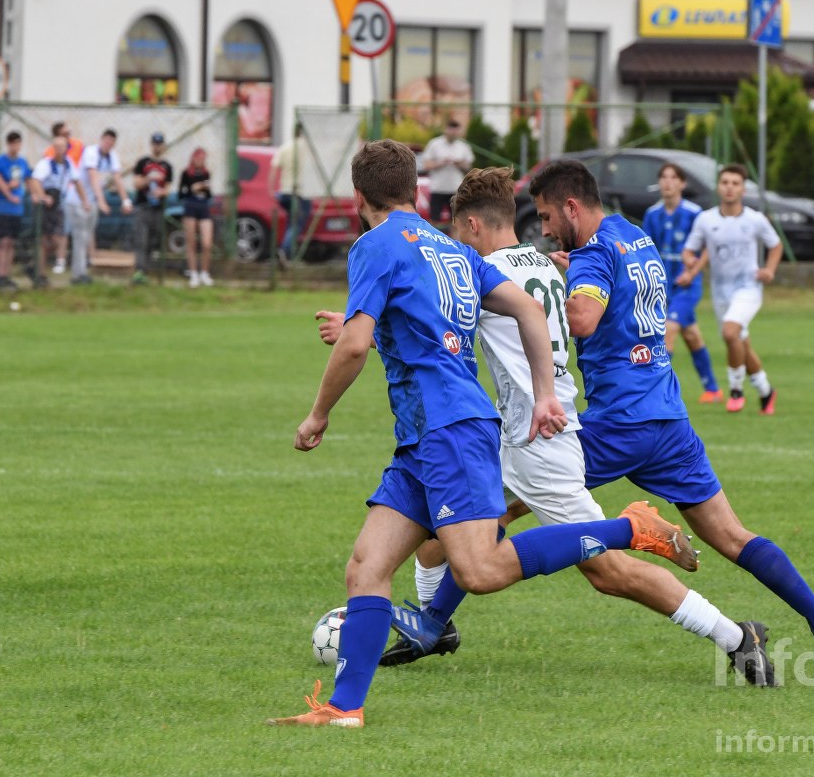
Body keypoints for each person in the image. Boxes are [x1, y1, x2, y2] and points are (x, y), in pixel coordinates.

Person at [268, 140, 696, 728]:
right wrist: (545, 392)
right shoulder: (447, 246)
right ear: (416, 190)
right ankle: (344, 709)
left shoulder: (375, 245)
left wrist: (318, 415)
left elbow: (355, 345)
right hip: (425, 436)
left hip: (450, 430)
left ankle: (630, 528)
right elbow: (526, 310)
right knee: (366, 566)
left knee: (480, 570)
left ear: (358, 196)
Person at [318, 167, 776, 686]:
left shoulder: (484, 269)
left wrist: (360, 330)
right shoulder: (546, 264)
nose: (455, 243)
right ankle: (433, 623)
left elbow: (434, 330)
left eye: (458, 232)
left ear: (473, 225)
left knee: (607, 572)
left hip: (538, 438)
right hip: (515, 430)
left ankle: (733, 634)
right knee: (440, 530)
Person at [533, 159, 814, 676]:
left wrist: (550, 285)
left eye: (547, 216)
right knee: (733, 536)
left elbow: (583, 319)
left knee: (507, 497)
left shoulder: (593, 252)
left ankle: (436, 619)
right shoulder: (636, 237)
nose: (546, 228)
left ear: (571, 207)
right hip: (669, 419)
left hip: (620, 422)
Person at [678, 164, 781, 415]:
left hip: (748, 287)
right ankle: (766, 391)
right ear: (718, 187)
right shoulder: (706, 219)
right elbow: (690, 250)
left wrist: (769, 269)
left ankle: (736, 389)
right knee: (739, 341)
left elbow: (775, 245)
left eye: (735, 183)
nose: (729, 188)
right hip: (720, 290)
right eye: (725, 182)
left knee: (730, 331)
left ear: (743, 189)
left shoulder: (755, 219)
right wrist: (689, 261)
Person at [641, 162, 721, 404]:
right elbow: (645, 251)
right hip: (661, 288)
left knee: (668, 331)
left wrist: (692, 272)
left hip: (687, 286)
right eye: (663, 177)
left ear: (682, 184)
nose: (668, 182)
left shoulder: (694, 213)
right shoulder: (652, 214)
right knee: (692, 335)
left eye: (673, 177)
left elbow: (707, 247)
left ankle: (656, 393)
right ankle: (713, 389)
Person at [29, 134, 86, 288]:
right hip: (47, 206)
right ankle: (39, 273)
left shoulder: (69, 164)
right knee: (44, 239)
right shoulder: (46, 164)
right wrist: (43, 196)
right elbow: (35, 180)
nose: (59, 150)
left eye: (62, 147)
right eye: (57, 147)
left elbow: (77, 182)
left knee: (56, 239)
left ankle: (36, 266)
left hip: (59, 205)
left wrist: (84, 201)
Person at [78, 128, 132, 284]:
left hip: (92, 199)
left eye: (111, 142)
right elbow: (93, 177)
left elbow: (117, 179)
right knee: (81, 233)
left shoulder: (111, 156)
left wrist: (126, 201)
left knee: (89, 231)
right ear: (101, 139)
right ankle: (79, 269)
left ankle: (88, 263)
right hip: (79, 197)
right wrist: (101, 201)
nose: (108, 144)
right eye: (106, 140)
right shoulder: (91, 152)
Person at [0, 131, 31, 290]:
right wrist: (6, 186)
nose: (16, 147)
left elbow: (28, 179)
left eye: (18, 143)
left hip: (16, 208)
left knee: (11, 242)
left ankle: (7, 274)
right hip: (2, 206)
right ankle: (0, 274)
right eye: (13, 143)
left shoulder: (22, 162)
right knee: (3, 241)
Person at [131, 132, 173, 285]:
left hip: (158, 208)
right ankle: (139, 271)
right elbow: (136, 184)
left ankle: (146, 270)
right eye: (155, 144)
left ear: (163, 146)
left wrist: (161, 192)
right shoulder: (143, 163)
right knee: (141, 240)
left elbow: (168, 188)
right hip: (143, 206)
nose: (157, 147)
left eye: (160, 144)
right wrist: (149, 179)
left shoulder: (167, 166)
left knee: (153, 241)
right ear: (151, 145)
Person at [270, 124, 310, 266]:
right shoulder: (308, 148)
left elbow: (273, 169)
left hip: (285, 192)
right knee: (297, 224)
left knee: (290, 223)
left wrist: (271, 190)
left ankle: (288, 256)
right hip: (300, 193)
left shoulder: (285, 147)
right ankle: (284, 251)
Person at [420, 119, 473, 228]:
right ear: (446, 129)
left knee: (456, 221)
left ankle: (454, 239)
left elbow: (469, 167)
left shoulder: (463, 146)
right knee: (434, 220)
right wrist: (440, 163)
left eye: (456, 131)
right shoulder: (434, 144)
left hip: (455, 189)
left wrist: (459, 163)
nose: (453, 133)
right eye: (451, 130)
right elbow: (426, 165)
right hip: (437, 188)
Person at [179, 147, 213, 288]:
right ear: (193, 158)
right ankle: (193, 274)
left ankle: (204, 273)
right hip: (191, 207)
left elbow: (208, 195)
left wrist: (205, 189)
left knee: (206, 243)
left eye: (203, 159)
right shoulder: (186, 173)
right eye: (199, 158)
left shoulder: (206, 173)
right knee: (191, 242)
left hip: (203, 207)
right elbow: (181, 194)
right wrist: (192, 188)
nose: (201, 161)